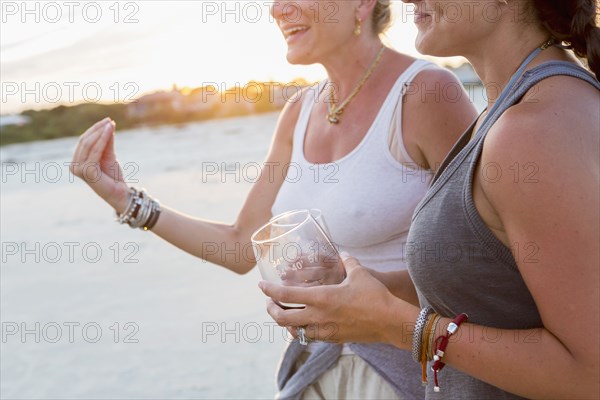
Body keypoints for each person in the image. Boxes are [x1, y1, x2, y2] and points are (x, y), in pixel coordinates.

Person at [70, 0, 477, 398]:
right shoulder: (298, 111)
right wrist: (127, 202)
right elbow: (238, 246)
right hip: (316, 370)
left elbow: (483, 263)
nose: (277, 9)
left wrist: (368, 292)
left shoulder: (427, 93)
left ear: (362, 4)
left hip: (412, 372)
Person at [260, 0, 600, 398]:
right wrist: (372, 289)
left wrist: (394, 326)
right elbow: (497, 287)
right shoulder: (517, 111)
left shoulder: (531, 130)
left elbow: (590, 375)